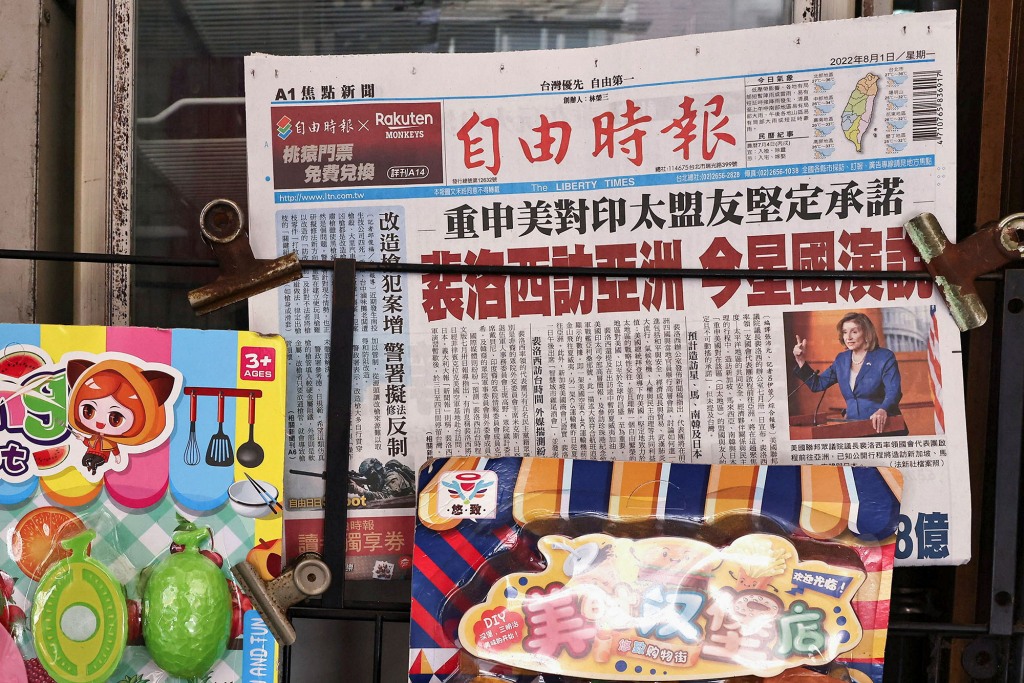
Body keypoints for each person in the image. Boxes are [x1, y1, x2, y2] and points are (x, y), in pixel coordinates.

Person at [792, 312, 905, 434]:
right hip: (853, 427)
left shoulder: (884, 357)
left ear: (867, 334)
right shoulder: (842, 359)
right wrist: (801, 360)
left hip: (883, 427)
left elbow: (894, 392)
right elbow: (817, 384)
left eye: (854, 332)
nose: (848, 337)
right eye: (845, 332)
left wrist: (883, 410)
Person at [67, 359, 176, 475]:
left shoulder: (111, 441)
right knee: (85, 461)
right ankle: (90, 467)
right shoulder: (93, 437)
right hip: (91, 452)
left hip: (102, 455)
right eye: (89, 411)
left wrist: (117, 456)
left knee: (95, 462)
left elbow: (114, 449)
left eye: (115, 419)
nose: (100, 423)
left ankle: (93, 468)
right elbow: (88, 442)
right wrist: (81, 438)